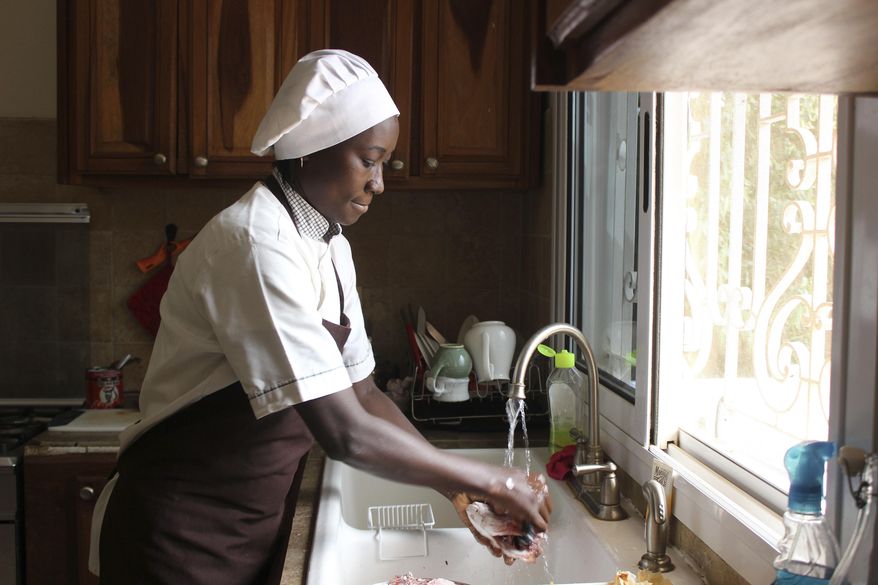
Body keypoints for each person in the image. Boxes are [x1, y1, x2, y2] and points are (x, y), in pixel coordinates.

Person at [89, 49, 551, 585]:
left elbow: (364, 395)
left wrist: (458, 490)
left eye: (384, 164)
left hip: (247, 525)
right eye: (370, 160)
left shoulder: (328, 241)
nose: (380, 183)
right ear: (311, 151)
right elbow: (344, 433)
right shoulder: (254, 243)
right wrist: (492, 481)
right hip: (176, 535)